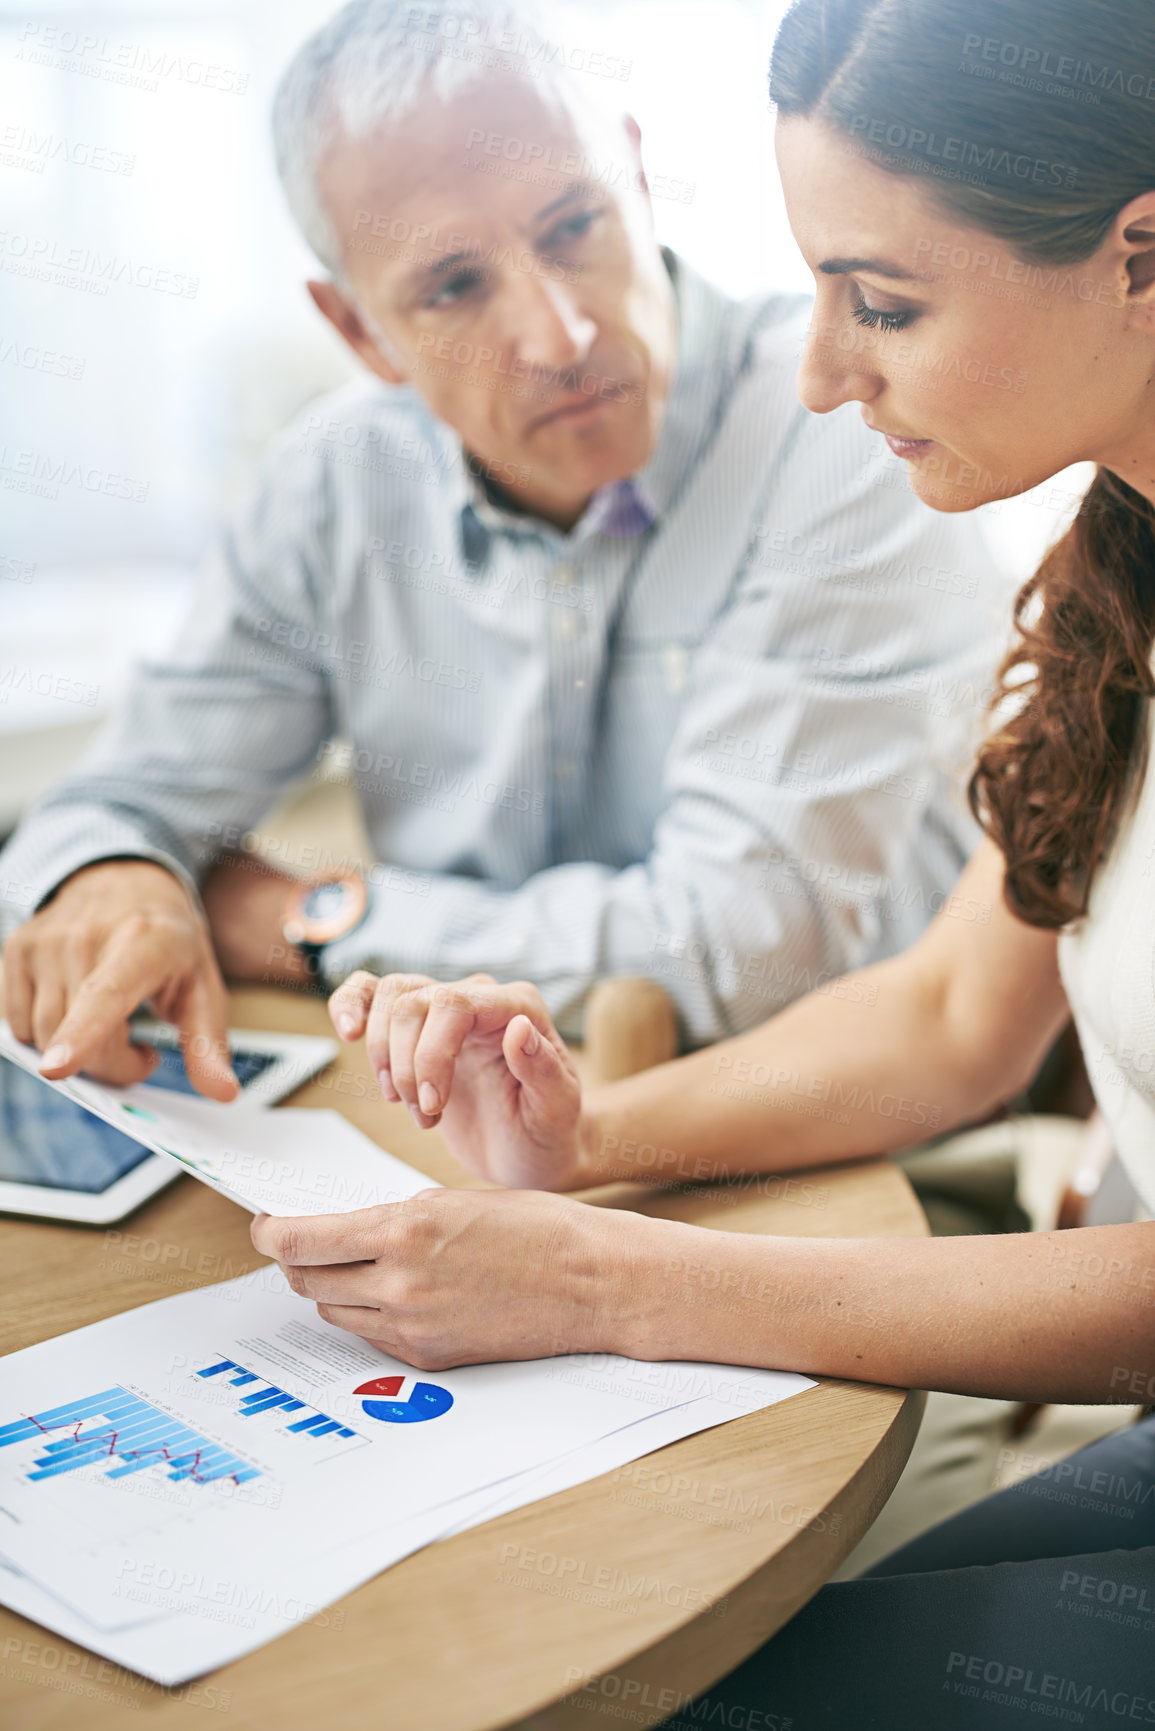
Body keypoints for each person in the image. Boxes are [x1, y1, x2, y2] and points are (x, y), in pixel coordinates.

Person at [250, 0, 1155, 1723]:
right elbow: (953, 1012)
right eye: (811, 288)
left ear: (1141, 255)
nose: (818, 372)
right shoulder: (1121, 569)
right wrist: (589, 1141)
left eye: (881, 302)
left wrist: (610, 1277)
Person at [0, 0, 1002, 1100]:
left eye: (574, 226)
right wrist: (120, 876)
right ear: (358, 332)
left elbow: (742, 954)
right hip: (475, 1114)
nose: (561, 334)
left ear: (635, 171)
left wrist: (313, 919)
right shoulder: (334, 485)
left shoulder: (852, 427)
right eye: (455, 285)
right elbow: (115, 804)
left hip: (839, 1135)